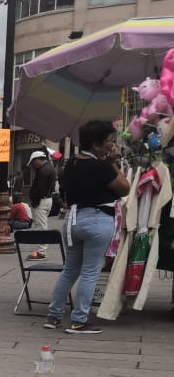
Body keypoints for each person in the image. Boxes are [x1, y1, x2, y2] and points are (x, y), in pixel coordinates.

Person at [44, 120, 130, 334]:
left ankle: (54, 315)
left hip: (73, 220)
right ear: (96, 144)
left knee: (70, 269)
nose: (112, 146)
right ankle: (79, 320)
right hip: (97, 220)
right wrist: (113, 162)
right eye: (109, 141)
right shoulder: (101, 166)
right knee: (90, 272)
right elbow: (124, 188)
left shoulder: (70, 163)